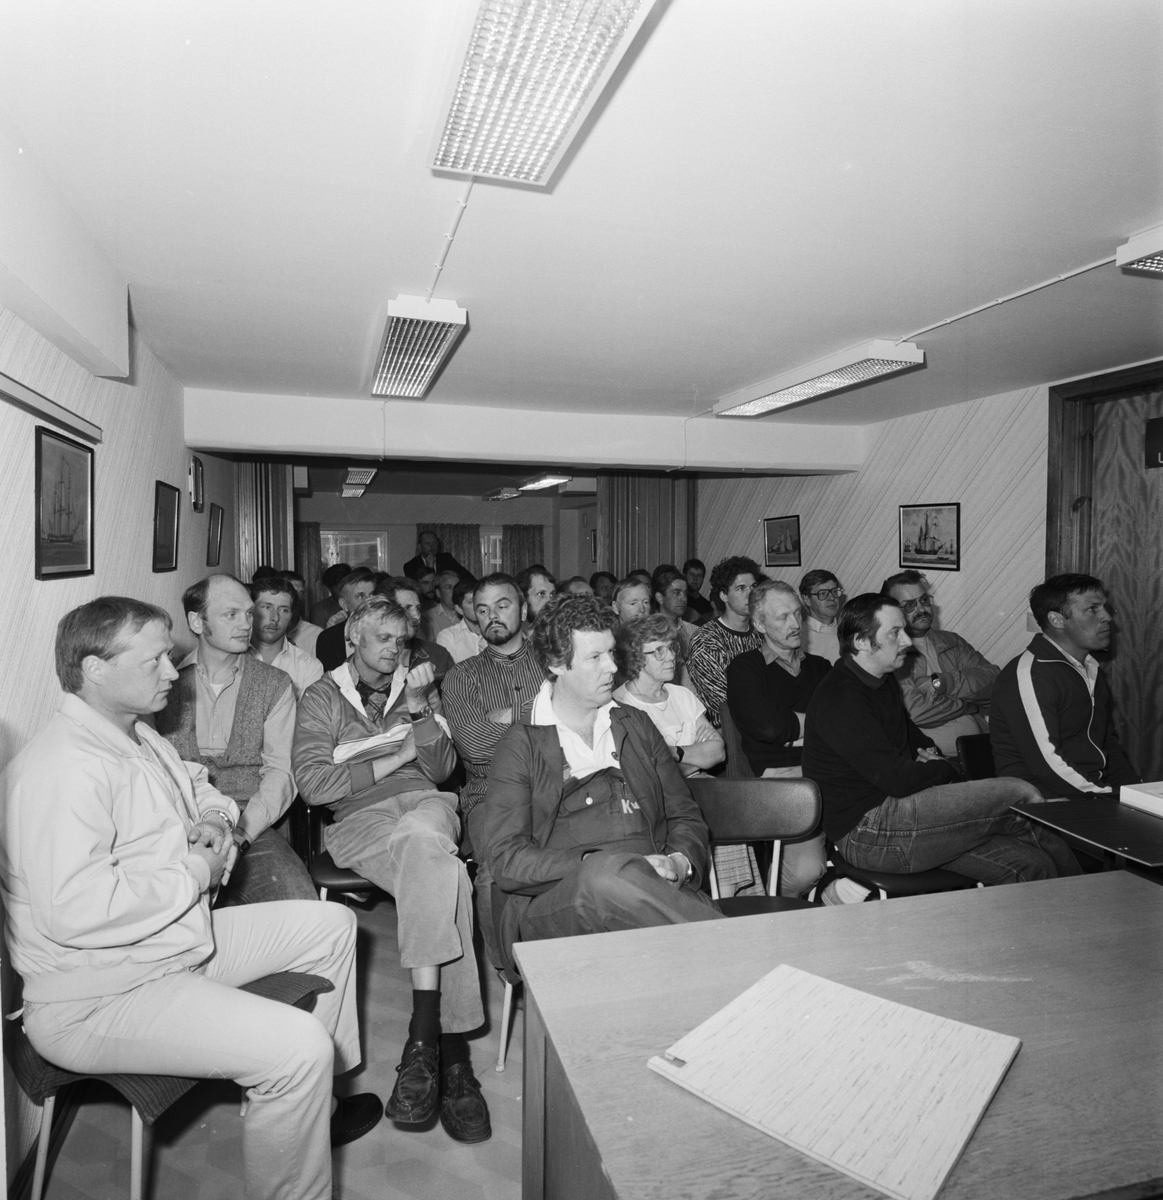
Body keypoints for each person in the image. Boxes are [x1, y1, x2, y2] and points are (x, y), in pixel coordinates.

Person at [0, 597, 380, 1200]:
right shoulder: (62, 769)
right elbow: (75, 911)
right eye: (154, 660)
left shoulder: (134, 734)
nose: (172, 673)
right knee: (300, 1046)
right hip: (99, 996)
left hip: (168, 947)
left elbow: (198, 783)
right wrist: (196, 871)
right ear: (95, 669)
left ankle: (309, 1106)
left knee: (331, 924)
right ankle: (293, 1097)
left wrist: (215, 818)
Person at [292, 596, 490, 1143]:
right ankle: (453, 1057)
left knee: (425, 842)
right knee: (444, 871)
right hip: (360, 821)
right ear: (352, 639)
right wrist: (399, 757)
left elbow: (443, 770)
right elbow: (315, 786)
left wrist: (422, 711)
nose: (395, 650)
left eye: (401, 641)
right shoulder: (322, 697)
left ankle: (422, 1040)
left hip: (426, 805)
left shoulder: (417, 689)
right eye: (383, 638)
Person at [475, 595, 721, 970]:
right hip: (560, 902)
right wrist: (596, 863)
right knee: (603, 876)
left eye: (611, 652)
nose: (612, 667)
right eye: (595, 657)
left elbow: (684, 816)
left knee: (656, 947)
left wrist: (678, 863)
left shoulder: (636, 725)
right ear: (557, 664)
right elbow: (507, 860)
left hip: (656, 890)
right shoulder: (522, 744)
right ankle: (737, 952)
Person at [802, 593, 1081, 889]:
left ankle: (1069, 907)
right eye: (895, 633)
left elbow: (909, 733)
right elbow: (897, 780)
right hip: (869, 834)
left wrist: (930, 751)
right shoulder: (842, 696)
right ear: (861, 641)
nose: (907, 641)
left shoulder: (881, 680)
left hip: (897, 816)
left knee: (1031, 864)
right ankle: (1087, 898)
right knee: (1019, 792)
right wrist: (945, 768)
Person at [156, 575, 316, 905]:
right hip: (178, 823)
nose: (246, 624)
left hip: (248, 825)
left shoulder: (275, 684)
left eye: (248, 613)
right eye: (231, 614)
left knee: (301, 906)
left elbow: (281, 773)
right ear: (197, 622)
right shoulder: (163, 684)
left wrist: (242, 834)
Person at [991, 574, 1141, 799]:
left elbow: (1106, 745)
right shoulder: (1031, 674)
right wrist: (1109, 800)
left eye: (1104, 607)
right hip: (1043, 802)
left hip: (1088, 795)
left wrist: (1136, 794)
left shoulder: (1087, 668)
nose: (1107, 617)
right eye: (1092, 609)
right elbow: (1047, 764)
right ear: (1057, 620)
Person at [725, 580, 830, 896]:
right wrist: (822, 730)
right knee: (805, 872)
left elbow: (848, 724)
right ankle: (779, 908)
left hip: (829, 775)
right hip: (784, 786)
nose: (795, 623)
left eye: (797, 614)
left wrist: (796, 732)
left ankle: (838, 894)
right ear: (759, 624)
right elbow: (768, 727)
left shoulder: (822, 668)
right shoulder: (745, 668)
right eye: (783, 617)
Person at [443, 575, 548, 834]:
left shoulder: (554, 662)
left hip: (560, 785)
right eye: (482, 610)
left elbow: (583, 718)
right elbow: (474, 746)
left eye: (502, 606)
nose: (492, 616)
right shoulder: (461, 676)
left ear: (523, 611)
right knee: (502, 855)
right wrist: (549, 721)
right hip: (491, 795)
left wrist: (514, 714)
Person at [881, 570, 999, 756]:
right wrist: (969, 705)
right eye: (910, 605)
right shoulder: (891, 652)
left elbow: (995, 683)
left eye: (924, 600)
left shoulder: (952, 642)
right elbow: (914, 711)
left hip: (979, 753)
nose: (921, 609)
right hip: (928, 762)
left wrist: (942, 682)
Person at [612, 614, 724, 778]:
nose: (671, 656)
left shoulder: (683, 695)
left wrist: (673, 752)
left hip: (703, 784)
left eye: (671, 647)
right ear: (635, 657)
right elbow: (650, 775)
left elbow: (718, 752)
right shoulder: (620, 705)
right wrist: (698, 754)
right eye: (659, 651)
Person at [686, 556, 764, 727]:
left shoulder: (762, 633)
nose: (751, 594)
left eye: (753, 587)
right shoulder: (706, 640)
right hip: (727, 730)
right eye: (741, 588)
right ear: (723, 595)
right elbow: (725, 701)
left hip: (766, 720)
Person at [250, 573, 324, 700]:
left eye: (284, 610)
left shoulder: (308, 666)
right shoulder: (233, 658)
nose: (275, 617)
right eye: (267, 607)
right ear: (250, 612)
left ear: (291, 617)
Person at [374, 575, 455, 685]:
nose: (417, 616)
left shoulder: (438, 655)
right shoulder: (371, 658)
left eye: (418, 608)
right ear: (386, 612)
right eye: (407, 608)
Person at [313, 567, 377, 670]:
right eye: (360, 596)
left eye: (372, 595)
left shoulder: (391, 631)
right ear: (344, 604)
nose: (369, 601)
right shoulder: (329, 639)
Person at [652, 566, 699, 686]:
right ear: (660, 598)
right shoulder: (648, 633)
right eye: (676, 593)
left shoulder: (695, 633)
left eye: (685, 593)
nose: (683, 599)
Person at [436, 577, 487, 664]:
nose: (478, 605)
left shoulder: (496, 631)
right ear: (459, 609)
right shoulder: (448, 636)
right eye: (471, 602)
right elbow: (451, 671)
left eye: (480, 599)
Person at [798, 569, 844, 663]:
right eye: (823, 593)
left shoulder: (850, 630)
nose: (832, 597)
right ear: (806, 599)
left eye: (834, 591)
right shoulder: (799, 635)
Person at [281, 568, 324, 658]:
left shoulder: (316, 634)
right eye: (293, 592)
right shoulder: (265, 632)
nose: (299, 598)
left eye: (301, 593)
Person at [403, 530, 471, 586]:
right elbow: (416, 588)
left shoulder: (446, 559)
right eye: (427, 543)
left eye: (434, 542)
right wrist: (430, 568)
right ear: (419, 547)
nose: (432, 546)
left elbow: (467, 577)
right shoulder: (410, 566)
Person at [423, 569, 463, 643]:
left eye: (457, 587)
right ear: (438, 593)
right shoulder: (427, 618)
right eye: (449, 588)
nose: (454, 591)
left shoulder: (469, 614)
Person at [309, 562, 350, 629]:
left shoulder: (360, 602)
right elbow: (319, 634)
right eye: (338, 588)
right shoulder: (320, 609)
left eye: (346, 587)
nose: (344, 591)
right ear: (330, 589)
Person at [683, 558, 713, 623]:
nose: (695, 578)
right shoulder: (678, 600)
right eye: (692, 574)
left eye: (699, 576)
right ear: (684, 576)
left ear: (703, 579)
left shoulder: (708, 607)